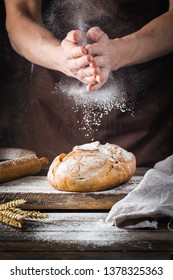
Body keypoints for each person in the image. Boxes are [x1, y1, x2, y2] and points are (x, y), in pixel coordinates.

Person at [4, 0, 173, 166]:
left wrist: (118, 52)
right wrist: (62, 58)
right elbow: (20, 15)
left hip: (147, 114)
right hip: (58, 116)